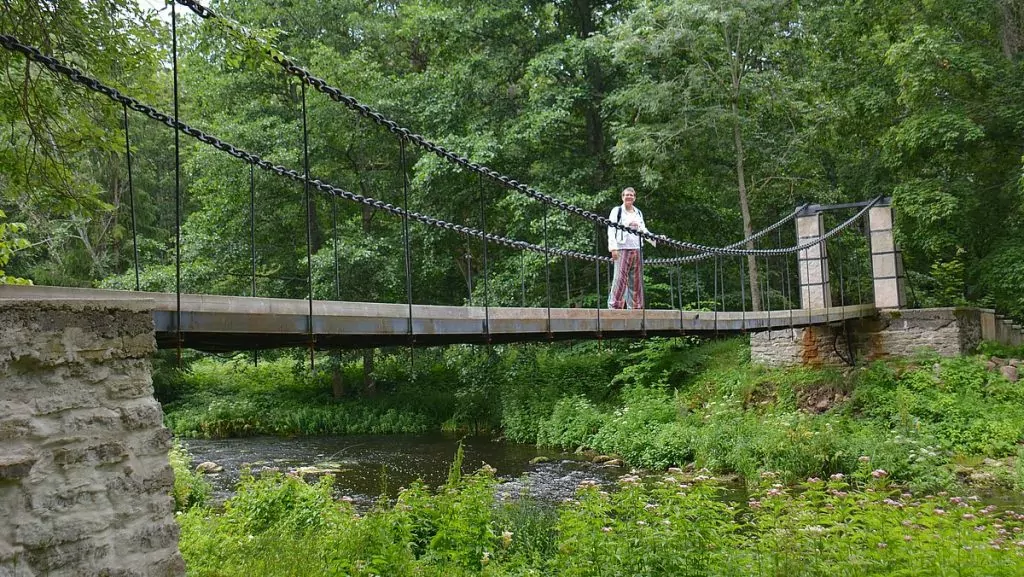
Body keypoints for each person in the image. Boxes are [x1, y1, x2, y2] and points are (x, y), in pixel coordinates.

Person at [607, 186, 655, 309]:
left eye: (631, 195)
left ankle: (635, 308)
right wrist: (613, 248)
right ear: (622, 197)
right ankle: (615, 307)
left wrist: (655, 239)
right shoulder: (617, 211)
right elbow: (611, 229)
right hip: (622, 248)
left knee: (636, 280)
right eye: (627, 195)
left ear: (634, 198)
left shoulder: (638, 212)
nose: (629, 197)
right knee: (620, 279)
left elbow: (643, 230)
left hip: (637, 248)